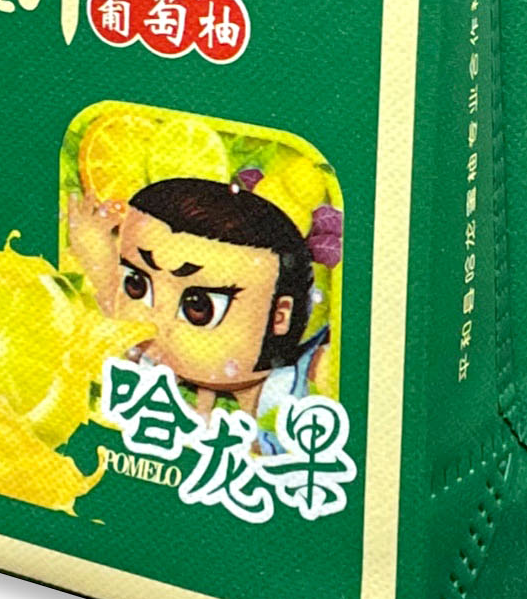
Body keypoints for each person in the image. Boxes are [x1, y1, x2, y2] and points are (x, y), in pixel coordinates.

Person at [67, 174, 335, 438]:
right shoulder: (143, 355)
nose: (155, 322)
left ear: (279, 317)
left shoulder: (289, 395)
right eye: (137, 285)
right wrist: (96, 252)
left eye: (199, 308)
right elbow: (113, 312)